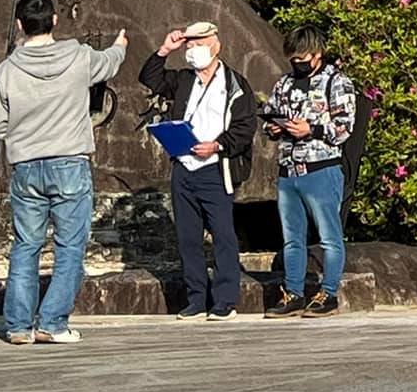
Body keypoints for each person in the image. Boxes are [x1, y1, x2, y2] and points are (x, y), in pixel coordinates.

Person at [0, 0, 126, 346]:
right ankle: (52, 321)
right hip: (69, 159)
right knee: (70, 247)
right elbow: (109, 63)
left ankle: (18, 326)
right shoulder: (78, 56)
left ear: (20, 25)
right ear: (55, 20)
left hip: (26, 164)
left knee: (26, 245)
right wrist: (120, 45)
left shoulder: (5, 70)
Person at [140, 20, 255, 322]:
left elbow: (245, 128)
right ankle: (196, 299)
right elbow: (149, 78)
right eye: (189, 45)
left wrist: (217, 146)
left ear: (215, 46)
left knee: (222, 235)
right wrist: (166, 49)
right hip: (184, 165)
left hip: (216, 168)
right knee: (188, 236)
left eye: (198, 44)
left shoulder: (234, 84)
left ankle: (225, 300)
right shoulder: (183, 80)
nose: (192, 50)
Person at [262, 24, 355, 318]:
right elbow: (268, 119)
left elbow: (344, 128)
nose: (297, 63)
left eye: (303, 57)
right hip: (289, 170)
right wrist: (275, 127)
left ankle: (328, 293)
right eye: (293, 58)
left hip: (322, 168)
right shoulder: (284, 84)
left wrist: (311, 129)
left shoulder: (337, 82)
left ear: (318, 54)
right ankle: (293, 293)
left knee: (329, 236)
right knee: (292, 237)